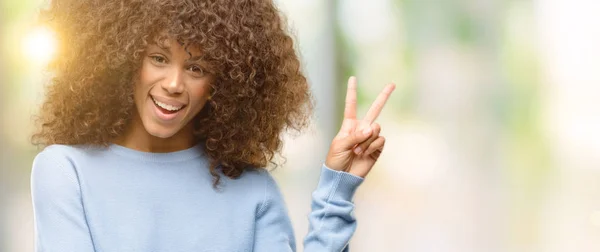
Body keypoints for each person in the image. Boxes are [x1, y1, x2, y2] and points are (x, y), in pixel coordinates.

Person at [30, 0, 395, 251]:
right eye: (158, 58)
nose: (174, 83)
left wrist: (336, 188)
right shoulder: (65, 171)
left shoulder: (253, 193)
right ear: (125, 60)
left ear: (223, 84)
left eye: (196, 68)